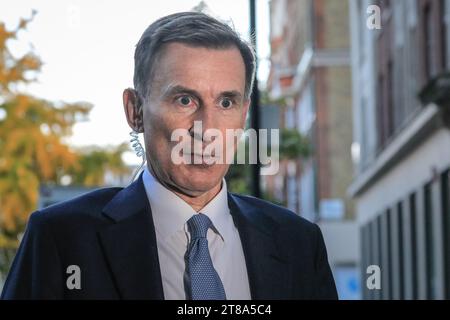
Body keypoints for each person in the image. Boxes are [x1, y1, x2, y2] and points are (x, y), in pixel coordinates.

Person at [1, 12, 337, 300]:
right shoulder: (62, 239)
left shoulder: (299, 244)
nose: (206, 129)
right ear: (135, 110)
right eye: (185, 100)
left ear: (244, 115)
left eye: (225, 103)